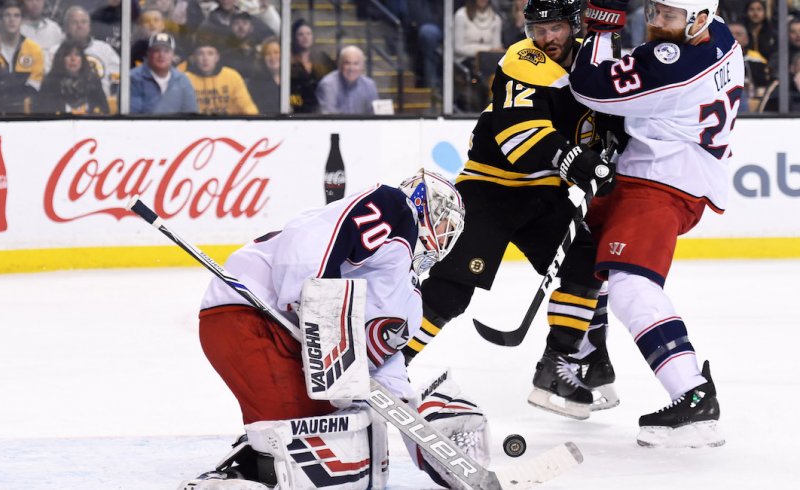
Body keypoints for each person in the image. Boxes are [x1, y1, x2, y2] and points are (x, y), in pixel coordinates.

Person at [401, 0, 620, 421]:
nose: (547, 38)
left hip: (543, 194)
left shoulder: (596, 61)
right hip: (489, 188)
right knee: (451, 290)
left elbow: (613, 116)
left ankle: (558, 364)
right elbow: (519, 137)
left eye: (555, 28)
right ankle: (390, 364)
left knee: (586, 264)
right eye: (539, 28)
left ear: (574, 26)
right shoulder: (522, 59)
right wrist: (579, 159)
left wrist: (613, 144)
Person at [192, 169, 469, 488]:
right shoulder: (395, 208)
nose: (449, 236)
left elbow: (385, 366)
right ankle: (235, 477)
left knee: (339, 437)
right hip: (249, 314)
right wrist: (315, 304)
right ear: (428, 206)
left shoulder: (407, 292)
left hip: (284, 338)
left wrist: (425, 442)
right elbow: (309, 234)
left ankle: (256, 463)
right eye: (448, 223)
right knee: (304, 439)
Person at [568, 0, 741, 447]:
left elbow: (588, 86)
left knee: (629, 284)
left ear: (698, 18)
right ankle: (589, 358)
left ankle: (693, 394)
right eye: (654, 11)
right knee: (580, 250)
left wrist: (601, 32)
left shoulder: (672, 61)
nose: (656, 23)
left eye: (669, 17)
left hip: (662, 182)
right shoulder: (721, 34)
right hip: (659, 171)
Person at [46, 6, 120, 102]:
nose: (79, 26)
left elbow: (118, 81)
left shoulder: (105, 50)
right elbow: (48, 84)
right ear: (66, 27)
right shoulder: (54, 52)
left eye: (84, 22)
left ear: (89, 26)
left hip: (100, 107)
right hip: (64, 107)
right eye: (74, 22)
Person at [183, 37, 258, 115]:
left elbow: (247, 106)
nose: (205, 59)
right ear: (195, 57)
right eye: (201, 54)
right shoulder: (185, 80)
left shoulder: (232, 76)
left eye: (210, 53)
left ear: (217, 57)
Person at [130, 31, 198, 114]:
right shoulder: (133, 78)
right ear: (148, 53)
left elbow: (191, 114)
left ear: (173, 55)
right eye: (157, 50)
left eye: (166, 51)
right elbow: (133, 117)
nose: (161, 55)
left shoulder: (182, 80)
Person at [35, 40, 109, 115]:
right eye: (68, 55)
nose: (73, 59)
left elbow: (104, 111)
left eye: (77, 55)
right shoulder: (50, 83)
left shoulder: (92, 80)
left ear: (82, 59)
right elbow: (44, 115)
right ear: (61, 59)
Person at [0, 0, 45, 91]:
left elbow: (34, 86)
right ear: (1, 20)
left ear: (22, 20)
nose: (12, 20)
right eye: (7, 15)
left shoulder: (34, 50)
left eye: (16, 16)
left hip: (24, 103)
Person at [316, 45, 379, 115]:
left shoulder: (369, 85)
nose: (351, 68)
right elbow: (330, 118)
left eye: (356, 63)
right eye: (347, 63)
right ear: (339, 65)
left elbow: (375, 114)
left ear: (362, 66)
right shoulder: (328, 85)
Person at [289, 19, 334, 113]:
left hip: (320, 109)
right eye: (300, 34)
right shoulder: (288, 61)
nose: (305, 37)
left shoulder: (323, 58)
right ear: (294, 37)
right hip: (296, 110)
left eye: (308, 34)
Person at [246, 37, 280, 114]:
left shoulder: (294, 79)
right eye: (268, 54)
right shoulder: (255, 84)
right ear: (263, 58)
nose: (272, 57)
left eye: (276, 52)